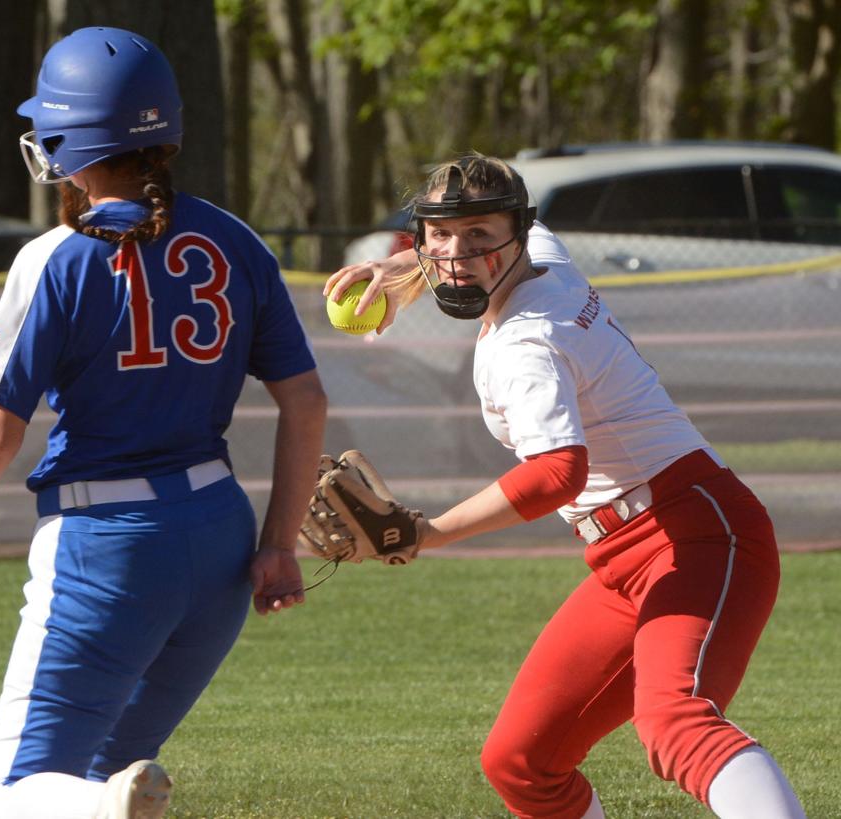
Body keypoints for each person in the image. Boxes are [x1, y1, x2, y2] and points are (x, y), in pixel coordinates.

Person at [0, 26, 326, 819]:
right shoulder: (238, 239)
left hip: (108, 543)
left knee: (14, 799)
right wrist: (277, 543)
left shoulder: (55, 256)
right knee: (96, 765)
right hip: (219, 539)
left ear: (69, 136)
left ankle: (102, 806)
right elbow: (306, 401)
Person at [326, 154, 805, 819]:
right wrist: (403, 269)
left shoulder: (528, 342)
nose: (456, 254)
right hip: (625, 557)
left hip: (697, 534)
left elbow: (558, 473)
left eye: (479, 236)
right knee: (522, 761)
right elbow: (486, 203)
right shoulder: (547, 259)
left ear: (516, 234)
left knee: (676, 723)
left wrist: (425, 531)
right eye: (439, 235)